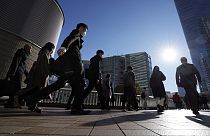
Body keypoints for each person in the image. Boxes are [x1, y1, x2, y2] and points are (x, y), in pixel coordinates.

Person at [25, 23, 90, 115]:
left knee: (58, 85)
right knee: (80, 84)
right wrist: (64, 48)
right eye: (84, 30)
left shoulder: (78, 38)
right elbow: (70, 39)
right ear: (80, 28)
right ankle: (76, 108)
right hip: (73, 66)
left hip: (69, 67)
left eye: (85, 31)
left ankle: (33, 98)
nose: (84, 32)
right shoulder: (76, 34)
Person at [14, 42, 55, 112]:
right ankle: (19, 97)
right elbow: (45, 65)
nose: (53, 51)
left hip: (38, 75)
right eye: (53, 49)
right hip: (41, 75)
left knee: (34, 90)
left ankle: (31, 105)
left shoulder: (43, 52)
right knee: (36, 90)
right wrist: (48, 73)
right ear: (50, 48)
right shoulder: (46, 53)